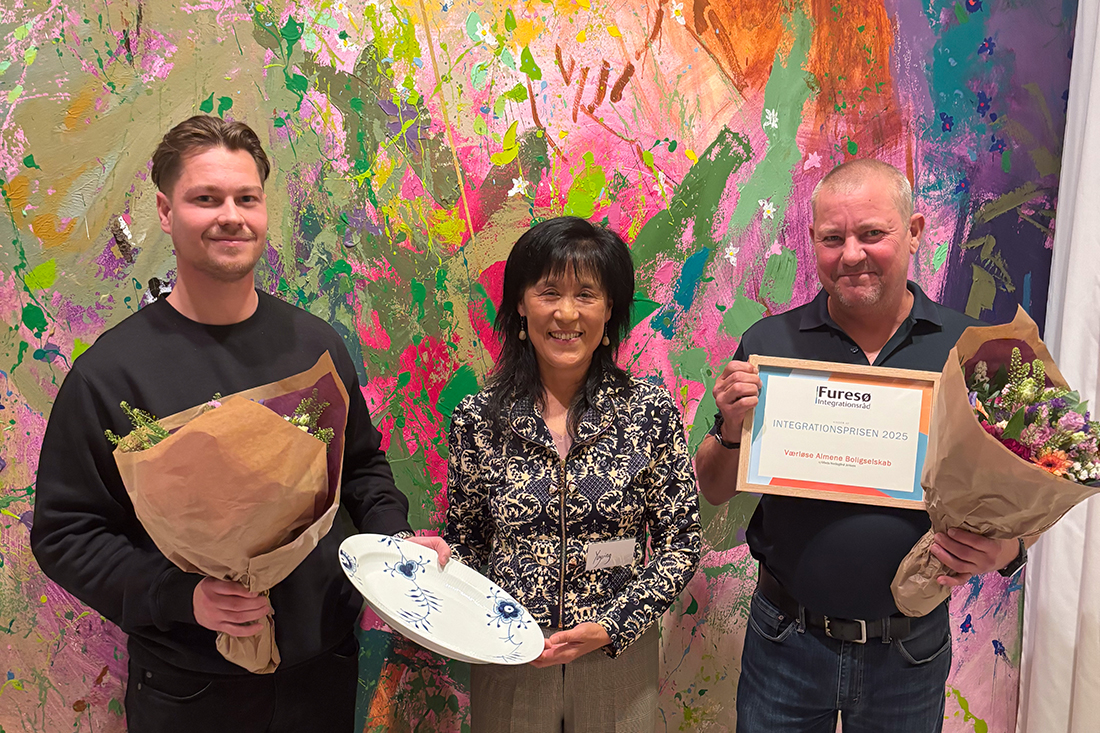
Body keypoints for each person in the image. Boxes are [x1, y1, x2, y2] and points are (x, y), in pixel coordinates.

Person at [30, 115, 449, 733]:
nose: (231, 216)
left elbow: (360, 466)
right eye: (206, 199)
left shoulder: (314, 345)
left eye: (246, 198)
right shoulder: (111, 374)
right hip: (189, 688)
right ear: (165, 211)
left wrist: (394, 540)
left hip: (323, 668)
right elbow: (66, 534)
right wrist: (182, 598)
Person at [695, 160, 1028, 732]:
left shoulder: (970, 349)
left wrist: (1007, 549)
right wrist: (729, 427)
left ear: (914, 232)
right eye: (833, 238)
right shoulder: (770, 343)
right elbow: (712, 487)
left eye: (872, 233)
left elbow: (1026, 485)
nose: (851, 254)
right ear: (813, 241)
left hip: (909, 652)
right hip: (785, 640)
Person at [444, 216, 702, 732]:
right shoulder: (480, 417)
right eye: (549, 292)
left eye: (586, 294)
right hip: (510, 658)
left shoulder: (648, 411)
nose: (566, 313)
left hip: (615, 659)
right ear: (521, 304)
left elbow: (682, 542)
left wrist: (612, 625)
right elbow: (466, 541)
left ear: (610, 309)